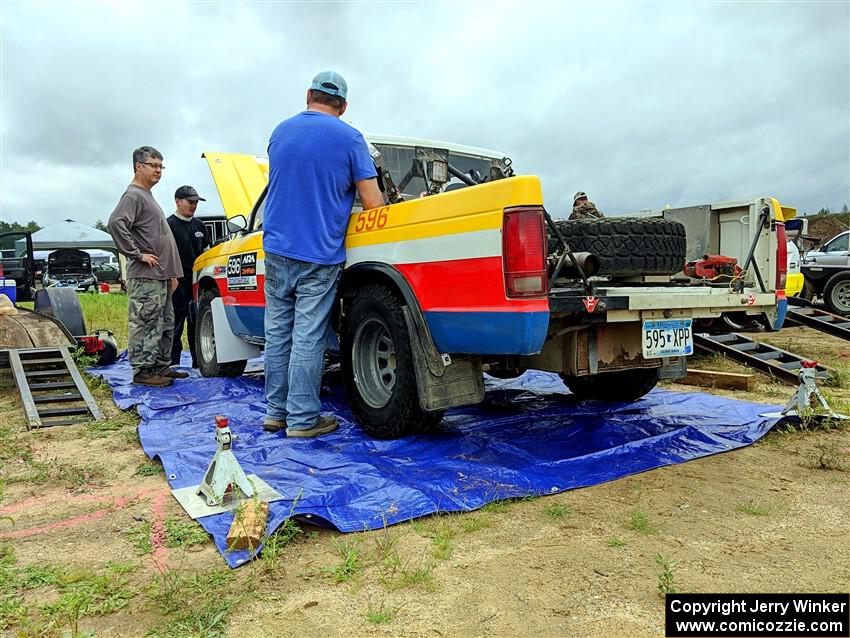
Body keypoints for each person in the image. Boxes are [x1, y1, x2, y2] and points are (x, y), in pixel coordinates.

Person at [263, 71, 384, 438]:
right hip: (319, 254)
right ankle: (302, 420)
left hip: (277, 249)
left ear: (308, 95)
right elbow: (373, 202)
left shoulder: (279, 132)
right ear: (343, 106)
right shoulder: (350, 138)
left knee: (278, 332)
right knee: (308, 337)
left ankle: (275, 412)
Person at [108, 146, 186, 387]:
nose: (158, 171)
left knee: (164, 322)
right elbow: (116, 223)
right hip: (146, 276)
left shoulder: (146, 196)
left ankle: (160, 365)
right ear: (138, 166)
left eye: (161, 166)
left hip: (161, 275)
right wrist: (137, 254)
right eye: (153, 165)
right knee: (146, 322)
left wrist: (171, 274)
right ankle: (143, 370)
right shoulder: (133, 195)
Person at [167, 185, 211, 368]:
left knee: (197, 323)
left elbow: (207, 252)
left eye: (196, 202)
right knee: (175, 324)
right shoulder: (168, 225)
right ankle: (172, 363)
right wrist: (171, 278)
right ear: (178, 201)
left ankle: (198, 362)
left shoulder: (200, 225)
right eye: (190, 202)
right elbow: (165, 254)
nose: (193, 206)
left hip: (197, 283)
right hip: (177, 281)